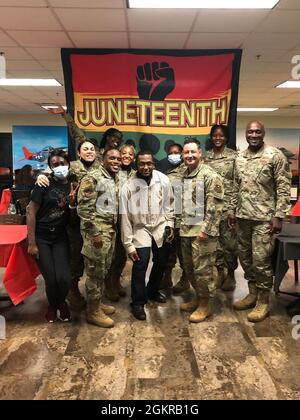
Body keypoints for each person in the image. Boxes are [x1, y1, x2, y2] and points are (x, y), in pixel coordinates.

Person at [229, 121, 291, 322]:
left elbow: (283, 188)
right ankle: (252, 293)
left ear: (263, 133)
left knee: (261, 260)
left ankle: (263, 301)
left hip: (264, 220)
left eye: (257, 131)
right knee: (245, 259)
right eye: (250, 131)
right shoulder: (239, 157)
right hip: (242, 218)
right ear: (246, 134)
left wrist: (279, 215)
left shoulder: (275, 156)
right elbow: (234, 186)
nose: (253, 134)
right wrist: (231, 211)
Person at [36, 138, 98, 311]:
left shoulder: (100, 168)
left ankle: (96, 298)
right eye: (85, 149)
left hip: (93, 223)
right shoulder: (72, 168)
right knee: (74, 260)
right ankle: (71, 292)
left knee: (94, 261)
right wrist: (39, 175)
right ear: (78, 153)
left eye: (92, 149)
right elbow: (53, 173)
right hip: (72, 225)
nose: (89, 151)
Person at [121, 151, 175, 321]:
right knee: (140, 264)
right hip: (140, 229)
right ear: (136, 164)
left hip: (160, 226)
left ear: (154, 164)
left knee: (160, 262)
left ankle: (152, 291)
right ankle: (137, 302)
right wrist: (128, 244)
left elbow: (169, 204)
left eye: (149, 163)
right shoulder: (128, 186)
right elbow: (124, 217)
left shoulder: (163, 180)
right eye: (142, 164)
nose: (145, 167)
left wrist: (170, 225)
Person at [179, 138, 224, 323]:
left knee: (203, 271)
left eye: (193, 152)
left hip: (202, 233)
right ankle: (198, 298)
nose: (189, 155)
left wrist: (205, 231)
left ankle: (205, 305)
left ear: (200, 154)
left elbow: (215, 207)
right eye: (186, 153)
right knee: (189, 269)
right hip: (186, 231)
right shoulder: (184, 174)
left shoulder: (209, 175)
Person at [27, 150, 73, 323]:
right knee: (51, 278)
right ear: (50, 167)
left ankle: (59, 301)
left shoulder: (73, 183)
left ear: (68, 164)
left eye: (62, 163)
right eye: (55, 164)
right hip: (42, 237)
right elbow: (31, 211)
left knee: (64, 278)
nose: (59, 167)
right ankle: (55, 305)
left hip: (60, 237)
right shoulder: (44, 183)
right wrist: (31, 243)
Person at [77, 148, 122, 328]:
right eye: (112, 158)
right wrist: (94, 233)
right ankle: (92, 311)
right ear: (103, 159)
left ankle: (97, 303)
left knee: (103, 270)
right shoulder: (92, 177)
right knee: (95, 272)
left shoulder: (113, 177)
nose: (116, 161)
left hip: (109, 231)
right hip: (96, 233)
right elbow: (84, 209)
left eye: (118, 159)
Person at [204, 124, 238, 291]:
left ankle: (231, 275)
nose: (218, 139)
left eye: (221, 136)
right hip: (211, 210)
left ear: (226, 138)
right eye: (215, 136)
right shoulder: (206, 157)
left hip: (228, 208)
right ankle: (220, 273)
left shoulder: (234, 157)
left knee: (230, 245)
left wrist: (233, 209)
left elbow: (238, 184)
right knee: (215, 245)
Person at [105, 144, 136, 301]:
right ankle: (108, 285)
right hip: (109, 220)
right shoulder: (111, 171)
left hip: (127, 221)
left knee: (121, 255)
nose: (126, 156)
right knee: (109, 255)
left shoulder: (136, 175)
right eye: (123, 153)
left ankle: (116, 281)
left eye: (130, 154)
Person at [158, 143, 189, 294]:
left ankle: (185, 280)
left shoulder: (190, 171)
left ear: (183, 154)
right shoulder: (166, 174)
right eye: (171, 152)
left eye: (177, 152)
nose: (174, 155)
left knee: (185, 253)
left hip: (187, 220)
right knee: (168, 251)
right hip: (170, 219)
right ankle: (167, 277)